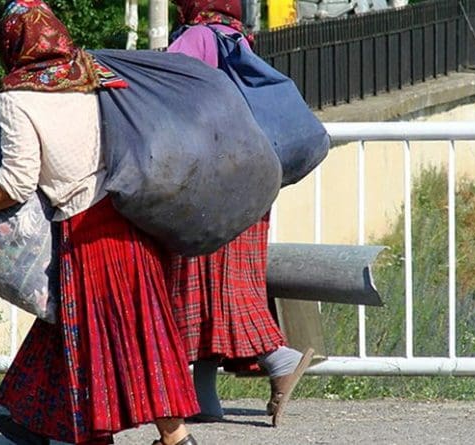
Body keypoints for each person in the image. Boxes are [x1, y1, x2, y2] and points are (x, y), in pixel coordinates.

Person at [0, 1, 199, 444]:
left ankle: (170, 439)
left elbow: (16, 183)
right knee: (132, 326)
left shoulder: (18, 99)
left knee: (105, 335)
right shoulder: (94, 76)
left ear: (12, 42)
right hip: (131, 220)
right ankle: (31, 420)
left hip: (87, 234)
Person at [166, 0, 315, 428]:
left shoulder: (196, 37)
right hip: (252, 179)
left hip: (216, 185)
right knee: (216, 284)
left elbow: (168, 101)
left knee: (210, 283)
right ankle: (202, 398)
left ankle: (280, 358)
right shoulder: (236, 37)